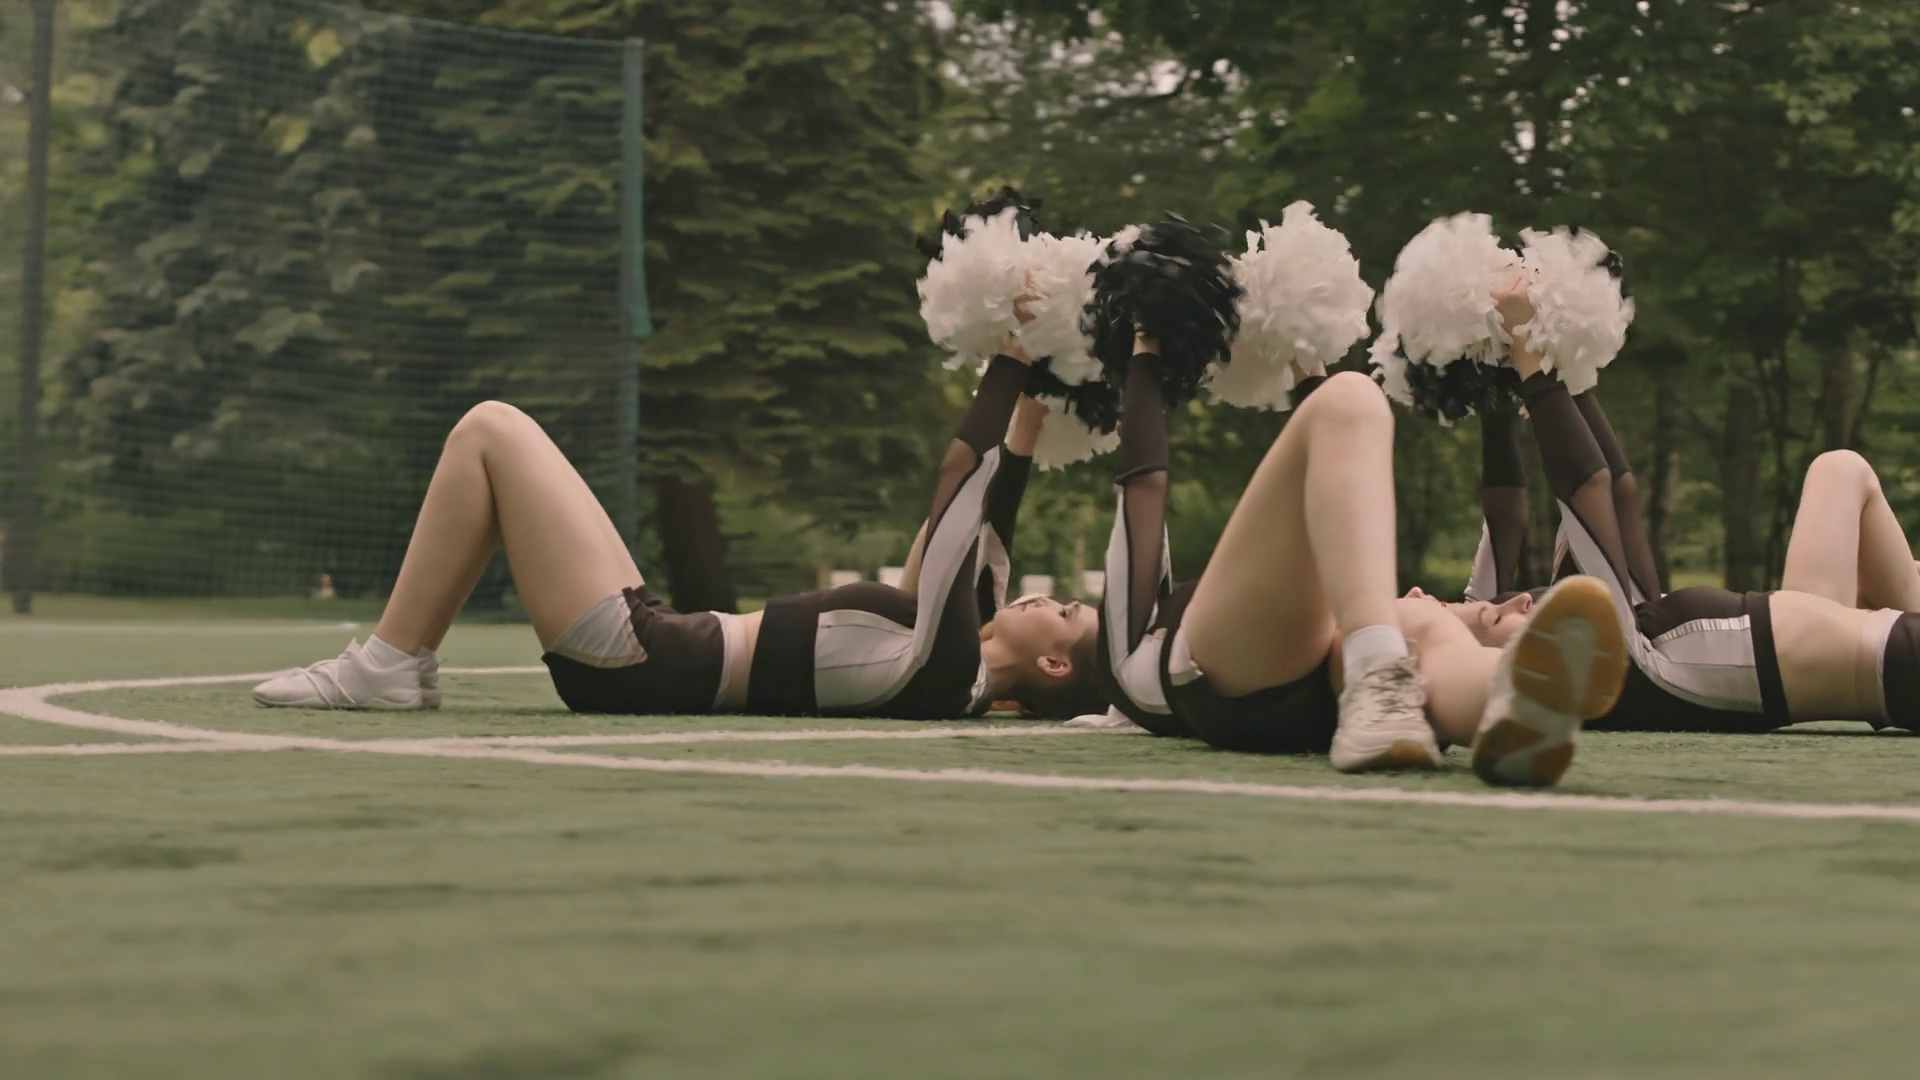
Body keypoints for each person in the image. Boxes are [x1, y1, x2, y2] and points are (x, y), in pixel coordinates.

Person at [254, 324, 1105, 721]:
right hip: (656, 642)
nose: (1051, 598)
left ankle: (387, 666)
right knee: (495, 450)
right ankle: (398, 663)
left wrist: (1008, 361)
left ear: (1055, 664)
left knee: (490, 430)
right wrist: (1033, 408)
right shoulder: (947, 652)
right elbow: (985, 523)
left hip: (641, 662)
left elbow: (957, 491)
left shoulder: (950, 672)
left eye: (1067, 612)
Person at [1090, 329, 1630, 782]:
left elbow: (1143, 497)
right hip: (1273, 676)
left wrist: (1146, 354)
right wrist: (1146, 355)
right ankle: (1404, 674)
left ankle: (1503, 696)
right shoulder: (1121, 670)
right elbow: (1150, 490)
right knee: (1348, 402)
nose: (1056, 604)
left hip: (1321, 686)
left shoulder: (1128, 646)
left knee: (1422, 622)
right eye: (1066, 610)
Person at [1468, 276, 1920, 730]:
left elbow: (1609, 492)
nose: (1519, 601)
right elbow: (1588, 486)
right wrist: (1528, 351)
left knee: (1840, 468)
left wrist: (1528, 365)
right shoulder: (1603, 660)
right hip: (1884, 658)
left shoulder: (1609, 623)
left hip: (1830, 631)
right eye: (1498, 622)